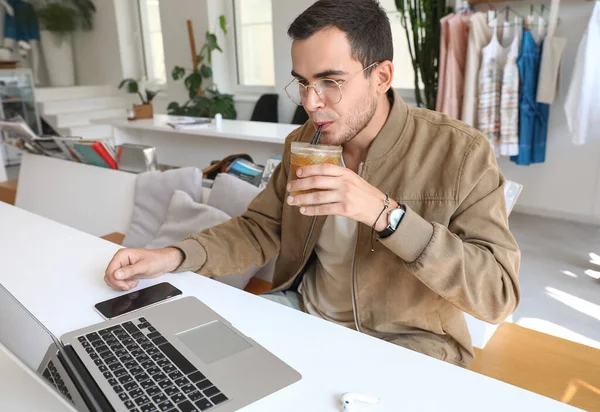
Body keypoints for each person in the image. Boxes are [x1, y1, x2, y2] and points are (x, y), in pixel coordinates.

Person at [104, 0, 520, 367]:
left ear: (382, 76)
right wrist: (173, 255)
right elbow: (261, 228)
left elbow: (498, 295)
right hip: (302, 312)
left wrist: (387, 217)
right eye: (302, 82)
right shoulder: (304, 142)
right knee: (189, 356)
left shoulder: (460, 152)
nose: (310, 102)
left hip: (411, 343)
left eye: (330, 82)